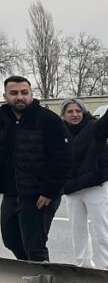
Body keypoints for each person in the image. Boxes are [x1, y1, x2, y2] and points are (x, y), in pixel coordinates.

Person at [0, 76, 72, 261]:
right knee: (11, 240)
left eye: (24, 93)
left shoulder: (48, 120)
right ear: (5, 95)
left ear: (31, 94)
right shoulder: (2, 119)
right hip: (11, 193)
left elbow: (63, 157)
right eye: (14, 93)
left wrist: (49, 191)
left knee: (35, 246)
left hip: (39, 195)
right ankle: (30, 277)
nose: (20, 97)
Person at [61, 93, 108, 270]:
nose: (74, 114)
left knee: (101, 228)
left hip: (94, 186)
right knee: (77, 230)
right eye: (70, 111)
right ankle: (84, 265)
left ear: (83, 112)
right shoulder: (60, 133)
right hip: (72, 190)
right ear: (64, 115)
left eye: (78, 111)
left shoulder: (93, 128)